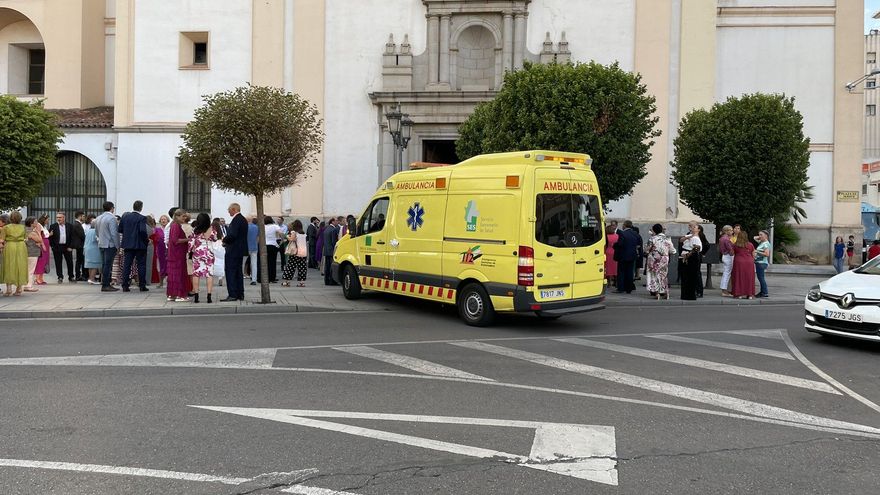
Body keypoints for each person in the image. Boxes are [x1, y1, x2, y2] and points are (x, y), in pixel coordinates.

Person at [118, 200, 150, 292]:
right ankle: (142, 285)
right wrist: (146, 240)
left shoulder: (125, 217)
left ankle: (125, 285)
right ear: (141, 207)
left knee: (127, 265)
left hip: (128, 244)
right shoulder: (142, 218)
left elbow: (120, 229)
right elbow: (142, 231)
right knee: (141, 265)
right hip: (139, 244)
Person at [221, 203, 248, 301]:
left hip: (233, 250)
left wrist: (224, 240)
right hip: (239, 250)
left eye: (229, 210)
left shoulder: (237, 220)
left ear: (234, 209)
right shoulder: (243, 219)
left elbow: (232, 235)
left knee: (231, 272)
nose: (228, 212)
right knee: (238, 272)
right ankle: (239, 293)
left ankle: (232, 294)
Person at [188, 213, 216, 303]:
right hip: (209, 253)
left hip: (198, 254)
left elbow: (190, 243)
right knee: (209, 274)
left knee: (196, 274)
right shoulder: (212, 230)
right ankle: (209, 296)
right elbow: (215, 239)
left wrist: (189, 252)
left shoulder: (195, 230)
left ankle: (196, 296)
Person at [0, 211, 28, 296]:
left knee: (9, 265)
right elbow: (26, 239)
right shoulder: (23, 227)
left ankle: (9, 290)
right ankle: (19, 289)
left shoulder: (6, 227)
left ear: (10, 218)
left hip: (10, 246)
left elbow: (1, 240)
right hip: (21, 246)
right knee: (20, 265)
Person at [165, 209, 191, 302]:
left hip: (175, 254)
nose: (185, 218)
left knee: (173, 275)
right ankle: (180, 295)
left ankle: (172, 295)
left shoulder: (174, 225)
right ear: (177, 216)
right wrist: (188, 239)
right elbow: (175, 240)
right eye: (183, 216)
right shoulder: (176, 226)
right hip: (177, 255)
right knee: (179, 275)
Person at [94, 202, 120, 292]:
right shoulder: (112, 218)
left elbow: (96, 231)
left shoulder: (99, 218)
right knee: (108, 265)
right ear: (112, 208)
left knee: (104, 264)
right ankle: (106, 284)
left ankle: (104, 283)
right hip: (110, 244)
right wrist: (118, 245)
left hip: (101, 243)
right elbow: (114, 233)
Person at [645, 224, 676, 300]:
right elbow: (673, 251)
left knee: (654, 275)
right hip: (664, 259)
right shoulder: (668, 239)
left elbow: (646, 250)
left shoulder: (652, 239)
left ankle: (657, 293)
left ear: (654, 230)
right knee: (663, 275)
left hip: (653, 259)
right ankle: (666, 293)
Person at [49, 212, 78, 283]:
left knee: (70, 262)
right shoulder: (53, 226)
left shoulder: (70, 226)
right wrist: (52, 246)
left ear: (64, 218)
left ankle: (71, 277)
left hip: (67, 246)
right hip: (57, 247)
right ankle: (60, 277)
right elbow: (50, 237)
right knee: (58, 262)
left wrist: (71, 246)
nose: (58, 219)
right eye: (57, 217)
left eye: (60, 217)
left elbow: (73, 237)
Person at [679, 221, 703, 301]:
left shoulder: (696, 238)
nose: (692, 228)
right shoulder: (689, 235)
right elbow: (681, 240)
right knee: (685, 276)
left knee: (691, 276)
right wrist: (687, 237)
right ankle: (685, 294)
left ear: (698, 229)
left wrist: (688, 255)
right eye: (690, 226)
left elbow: (697, 248)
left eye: (694, 227)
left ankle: (690, 294)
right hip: (685, 256)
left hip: (691, 257)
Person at [613, 220, 639, 294]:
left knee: (621, 272)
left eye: (623, 224)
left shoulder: (623, 233)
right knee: (630, 272)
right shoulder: (635, 233)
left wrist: (615, 245)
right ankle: (629, 288)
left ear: (625, 225)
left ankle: (621, 288)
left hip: (623, 255)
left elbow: (620, 244)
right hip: (632, 256)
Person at [730, 229, 756, 299]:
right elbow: (754, 255)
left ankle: (739, 294)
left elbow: (731, 253)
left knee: (738, 277)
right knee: (749, 278)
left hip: (739, 262)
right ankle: (749, 294)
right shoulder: (750, 244)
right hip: (749, 262)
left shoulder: (736, 244)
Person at [282, 220, 309, 287]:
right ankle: (302, 283)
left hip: (295, 252)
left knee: (290, 267)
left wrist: (287, 236)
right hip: (303, 252)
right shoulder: (303, 233)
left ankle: (287, 282)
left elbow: (292, 239)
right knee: (302, 268)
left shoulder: (294, 232)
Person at [22, 216, 46, 292]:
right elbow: (40, 240)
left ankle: (26, 285)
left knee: (27, 269)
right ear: (31, 223)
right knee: (31, 270)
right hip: (32, 252)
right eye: (35, 221)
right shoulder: (31, 232)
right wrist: (38, 232)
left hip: (26, 252)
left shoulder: (24, 230)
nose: (37, 223)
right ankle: (28, 286)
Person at [262, 216, 282, 283]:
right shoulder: (275, 226)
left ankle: (266, 277)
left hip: (265, 245)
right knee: (273, 262)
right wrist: (282, 240)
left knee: (265, 262)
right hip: (273, 245)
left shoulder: (263, 226)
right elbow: (281, 233)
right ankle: (272, 278)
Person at [149, 216, 167, 287]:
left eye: (165, 219)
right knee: (160, 266)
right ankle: (161, 282)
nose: (163, 221)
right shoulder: (157, 229)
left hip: (168, 250)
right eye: (162, 219)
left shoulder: (170, 228)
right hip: (159, 250)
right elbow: (153, 238)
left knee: (168, 265)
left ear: (167, 220)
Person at [33, 214, 50, 286]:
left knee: (45, 261)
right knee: (40, 261)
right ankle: (37, 278)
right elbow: (39, 235)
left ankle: (41, 278)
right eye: (47, 219)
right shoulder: (38, 225)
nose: (48, 220)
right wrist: (42, 244)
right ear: (44, 219)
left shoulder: (44, 226)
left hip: (46, 243)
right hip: (42, 244)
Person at [83, 221, 102, 285]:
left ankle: (90, 278)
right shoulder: (96, 231)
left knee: (90, 265)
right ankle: (92, 279)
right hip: (94, 249)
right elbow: (98, 240)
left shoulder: (88, 231)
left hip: (87, 248)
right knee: (95, 265)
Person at [718, 225, 735, 297]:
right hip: (728, 256)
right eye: (730, 230)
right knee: (727, 273)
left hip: (724, 256)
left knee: (726, 273)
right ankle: (724, 291)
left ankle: (725, 290)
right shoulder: (726, 239)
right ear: (726, 231)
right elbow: (730, 249)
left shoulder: (722, 238)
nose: (732, 231)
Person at [754, 230, 771, 298]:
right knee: (761, 278)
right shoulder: (762, 242)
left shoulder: (766, 244)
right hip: (759, 263)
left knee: (761, 278)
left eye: (761, 235)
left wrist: (757, 251)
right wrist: (760, 237)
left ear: (766, 236)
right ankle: (763, 292)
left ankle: (764, 292)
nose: (759, 236)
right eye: (759, 234)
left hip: (761, 263)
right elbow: (754, 238)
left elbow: (767, 254)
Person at [323, 217, 340, 285]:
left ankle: (326, 281)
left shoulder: (326, 229)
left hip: (326, 250)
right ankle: (332, 281)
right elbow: (334, 242)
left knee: (327, 267)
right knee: (331, 267)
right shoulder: (333, 230)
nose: (337, 222)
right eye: (336, 221)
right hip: (331, 251)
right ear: (332, 222)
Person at [73, 210, 88, 281]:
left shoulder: (78, 224)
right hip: (80, 245)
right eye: (83, 216)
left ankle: (79, 275)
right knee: (80, 261)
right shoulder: (77, 224)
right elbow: (82, 235)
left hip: (79, 245)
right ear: (79, 216)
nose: (84, 218)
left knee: (80, 261)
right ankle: (79, 275)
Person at [211, 219, 226, 287]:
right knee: (221, 262)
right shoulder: (221, 231)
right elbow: (223, 239)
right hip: (220, 246)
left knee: (213, 262)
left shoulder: (212, 231)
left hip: (213, 245)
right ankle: (220, 277)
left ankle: (211, 276)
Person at [246, 215, 258, 286]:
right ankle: (254, 279)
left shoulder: (245, 227)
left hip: (246, 248)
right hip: (254, 247)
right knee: (254, 264)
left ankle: (241, 277)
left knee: (242, 263)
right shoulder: (256, 227)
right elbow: (258, 237)